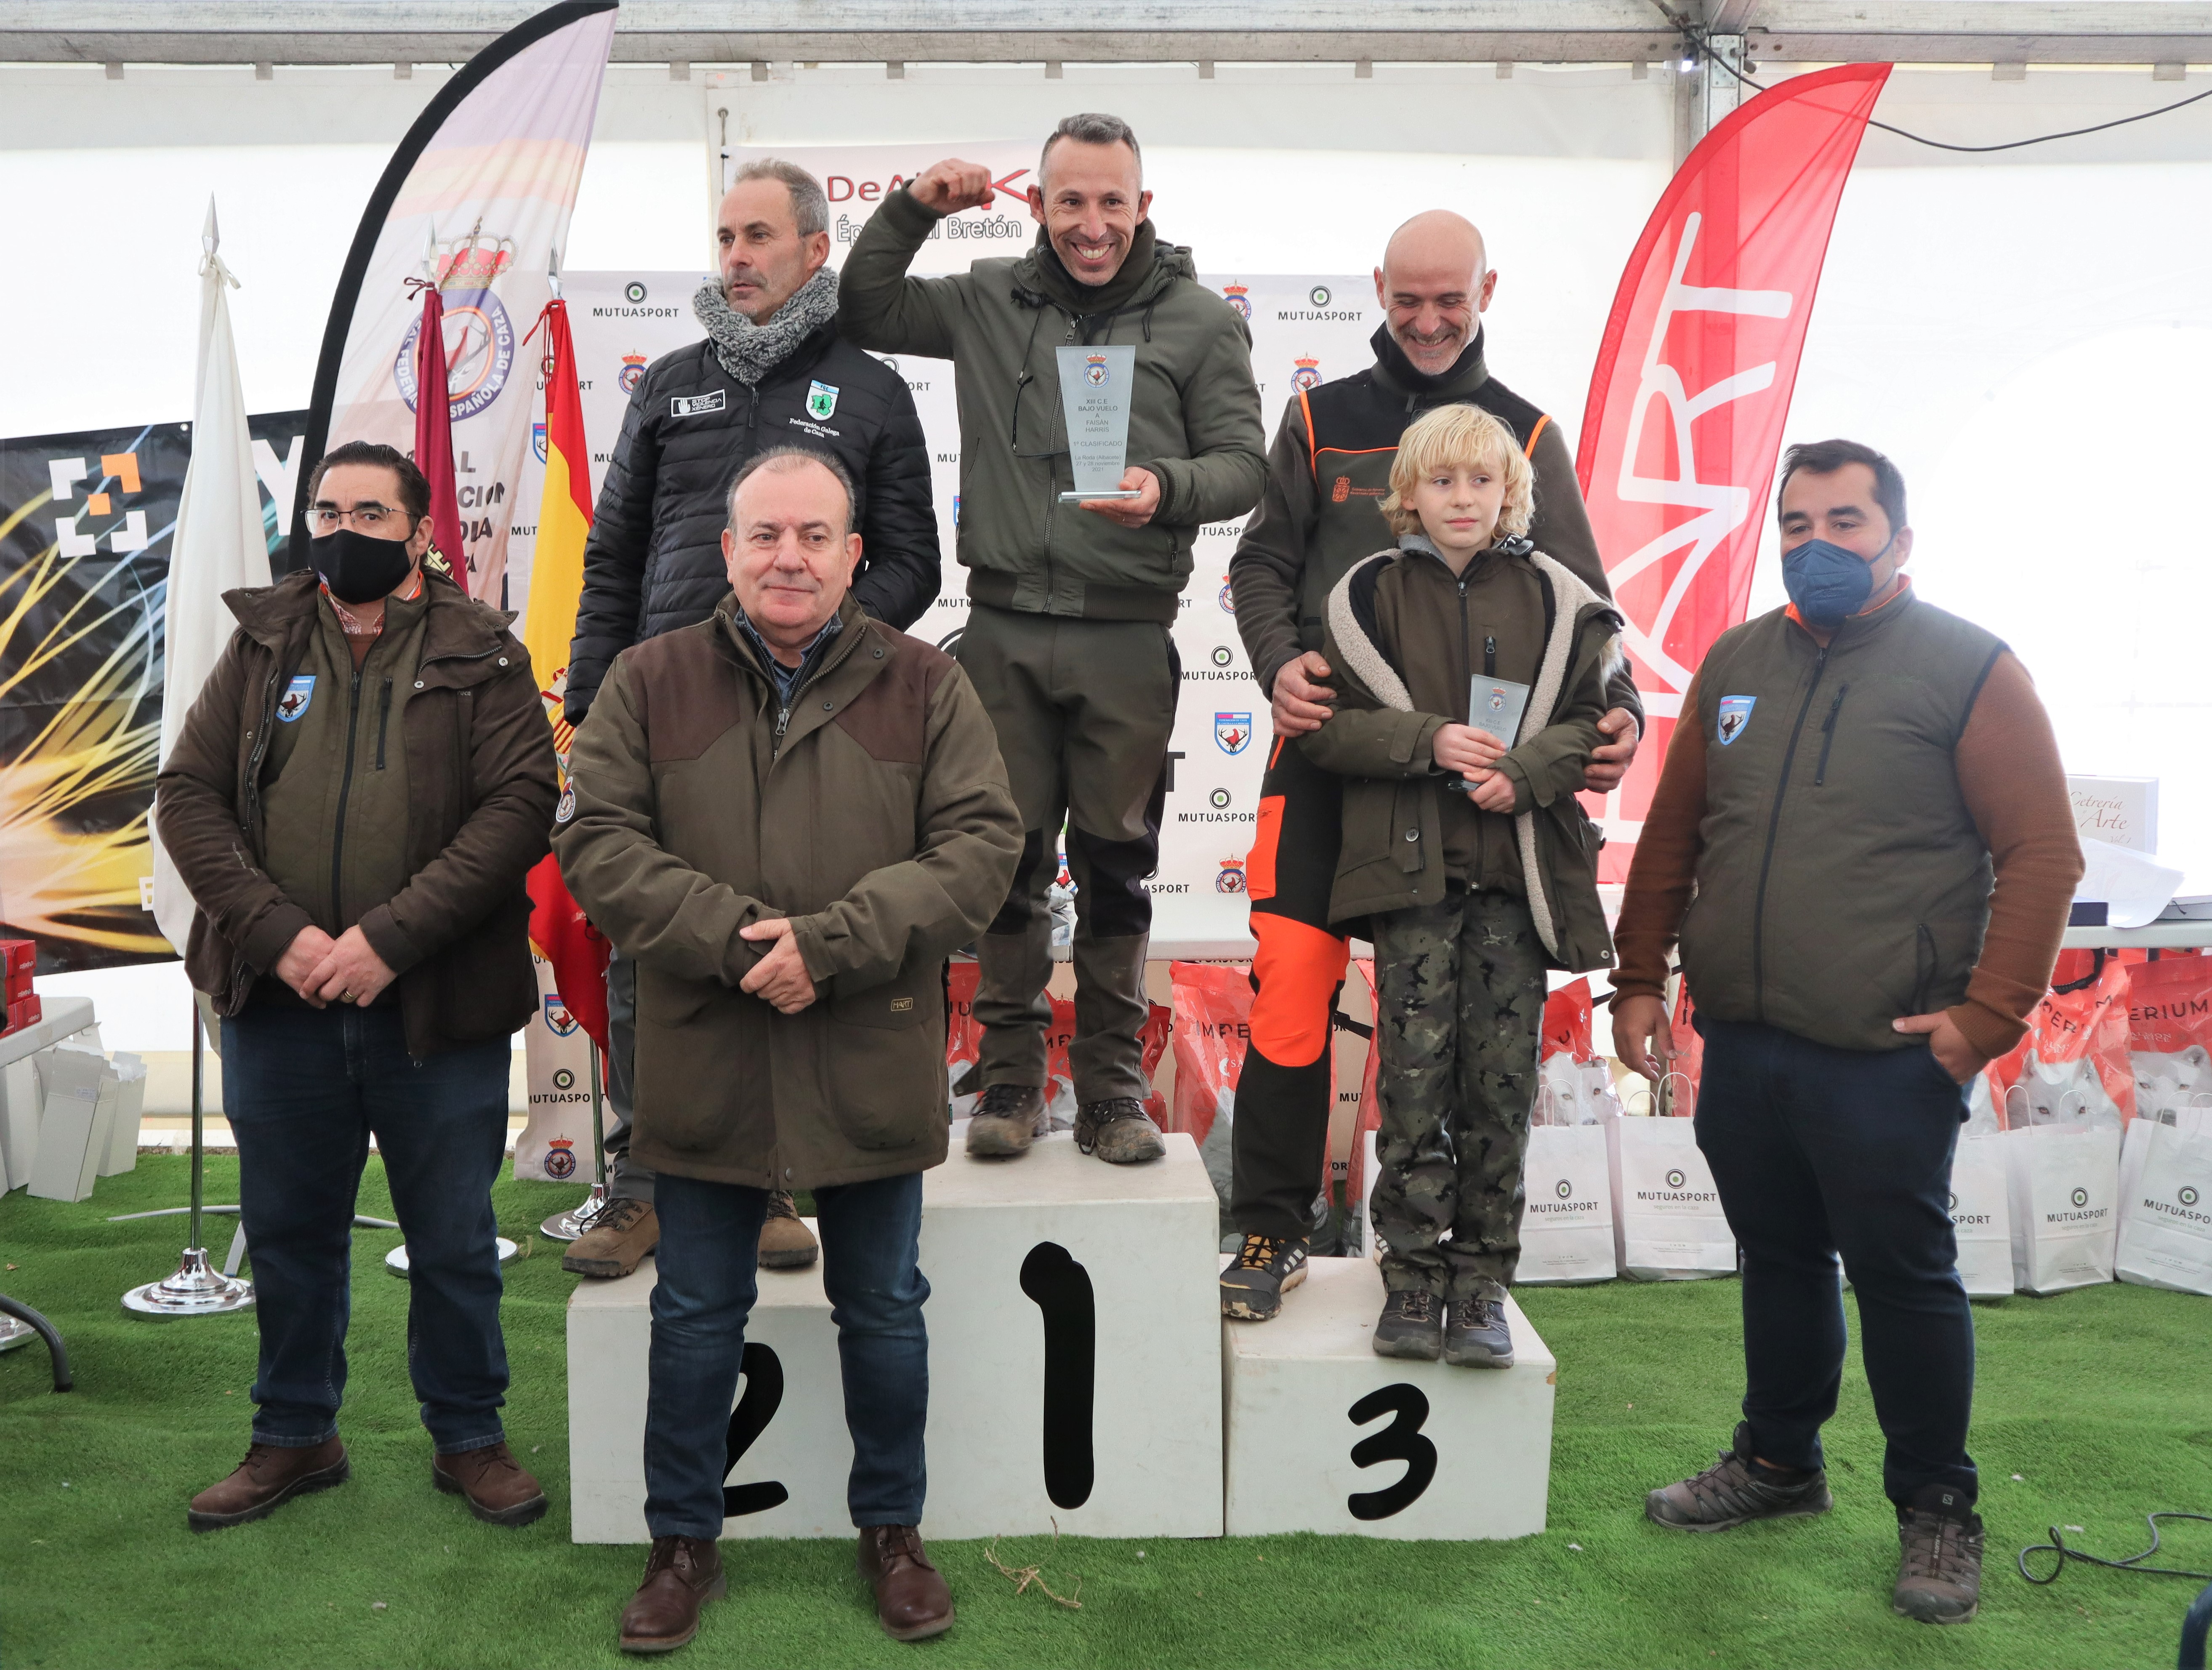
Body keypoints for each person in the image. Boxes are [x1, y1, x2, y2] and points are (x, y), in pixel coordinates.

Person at [557, 448, 1021, 1653]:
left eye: (816, 536)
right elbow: (595, 841)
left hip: (871, 1043)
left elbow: (981, 847)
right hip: (705, 1051)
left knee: (883, 1309)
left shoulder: (928, 685)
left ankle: (895, 1534)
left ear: (856, 555)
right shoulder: (649, 679)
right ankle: (681, 1547)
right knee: (696, 1315)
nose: (790, 557)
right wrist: (731, 939)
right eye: (766, 535)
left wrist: (833, 943)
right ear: (725, 550)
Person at [1611, 439, 2082, 1625]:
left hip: (1888, 1055)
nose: (1817, 546)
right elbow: (1673, 837)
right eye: (1798, 525)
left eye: (1847, 524)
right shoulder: (1737, 660)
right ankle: (1779, 1465)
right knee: (1777, 1259)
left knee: (1904, 1277)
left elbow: (2043, 855)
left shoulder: (1972, 670)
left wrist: (1987, 1018)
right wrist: (1637, 978)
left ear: (1902, 541)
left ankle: (1939, 1509)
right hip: (1748, 1040)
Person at [1219, 209, 1643, 1321]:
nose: (1428, 320)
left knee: (1463, 1039)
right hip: (1329, 761)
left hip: (1476, 794)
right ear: (1378, 291)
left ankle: (1463, 1274)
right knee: (1292, 996)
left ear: (1486, 292)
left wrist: (1626, 714)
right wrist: (1277, 665)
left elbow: (1589, 605)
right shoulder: (1318, 418)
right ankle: (1272, 1227)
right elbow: (1262, 564)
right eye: (1407, 299)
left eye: (1449, 299)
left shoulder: (1529, 434)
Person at [839, 112, 1265, 1165]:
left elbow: (1246, 466)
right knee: (1004, 864)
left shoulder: (1203, 321)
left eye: (1111, 202)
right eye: (1069, 200)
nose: (1091, 224)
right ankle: (1014, 1081)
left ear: (1143, 207)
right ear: (1037, 204)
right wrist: (914, 210)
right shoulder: (989, 298)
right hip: (1004, 631)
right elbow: (866, 306)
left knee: (1119, 865)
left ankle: (1115, 1088)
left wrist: (1167, 489)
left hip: (1128, 637)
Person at [157, 441, 559, 1532]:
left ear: (421, 532)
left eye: (373, 512)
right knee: (287, 1232)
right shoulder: (263, 638)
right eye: (329, 508)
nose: (346, 529)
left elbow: (520, 807)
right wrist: (282, 937)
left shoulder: (483, 652)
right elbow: (188, 796)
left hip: (435, 1011)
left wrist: (386, 940)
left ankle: (469, 1437)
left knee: (453, 1240)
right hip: (281, 1008)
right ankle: (294, 1435)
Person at [562, 157, 940, 1282]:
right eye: (726, 235)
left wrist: (811, 631)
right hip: (668, 709)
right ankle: (639, 1185)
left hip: (811, 708)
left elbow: (913, 559)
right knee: (658, 943)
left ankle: (775, 1185)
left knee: (787, 931)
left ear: (816, 251)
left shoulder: (870, 391)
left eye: (761, 236)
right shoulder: (669, 380)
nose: (738, 256)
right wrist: (589, 700)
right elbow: (614, 553)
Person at [1302, 404, 1620, 1365]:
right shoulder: (1364, 596)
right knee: (1410, 1082)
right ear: (1409, 494)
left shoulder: (1562, 599)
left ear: (1511, 492)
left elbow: (1593, 717)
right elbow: (1329, 729)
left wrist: (1525, 771)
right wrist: (1428, 741)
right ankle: (1410, 1275)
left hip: (1516, 889)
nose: (1463, 498)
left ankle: (1482, 1281)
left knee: (1500, 1082)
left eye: (1482, 481)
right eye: (1442, 481)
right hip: (1413, 884)